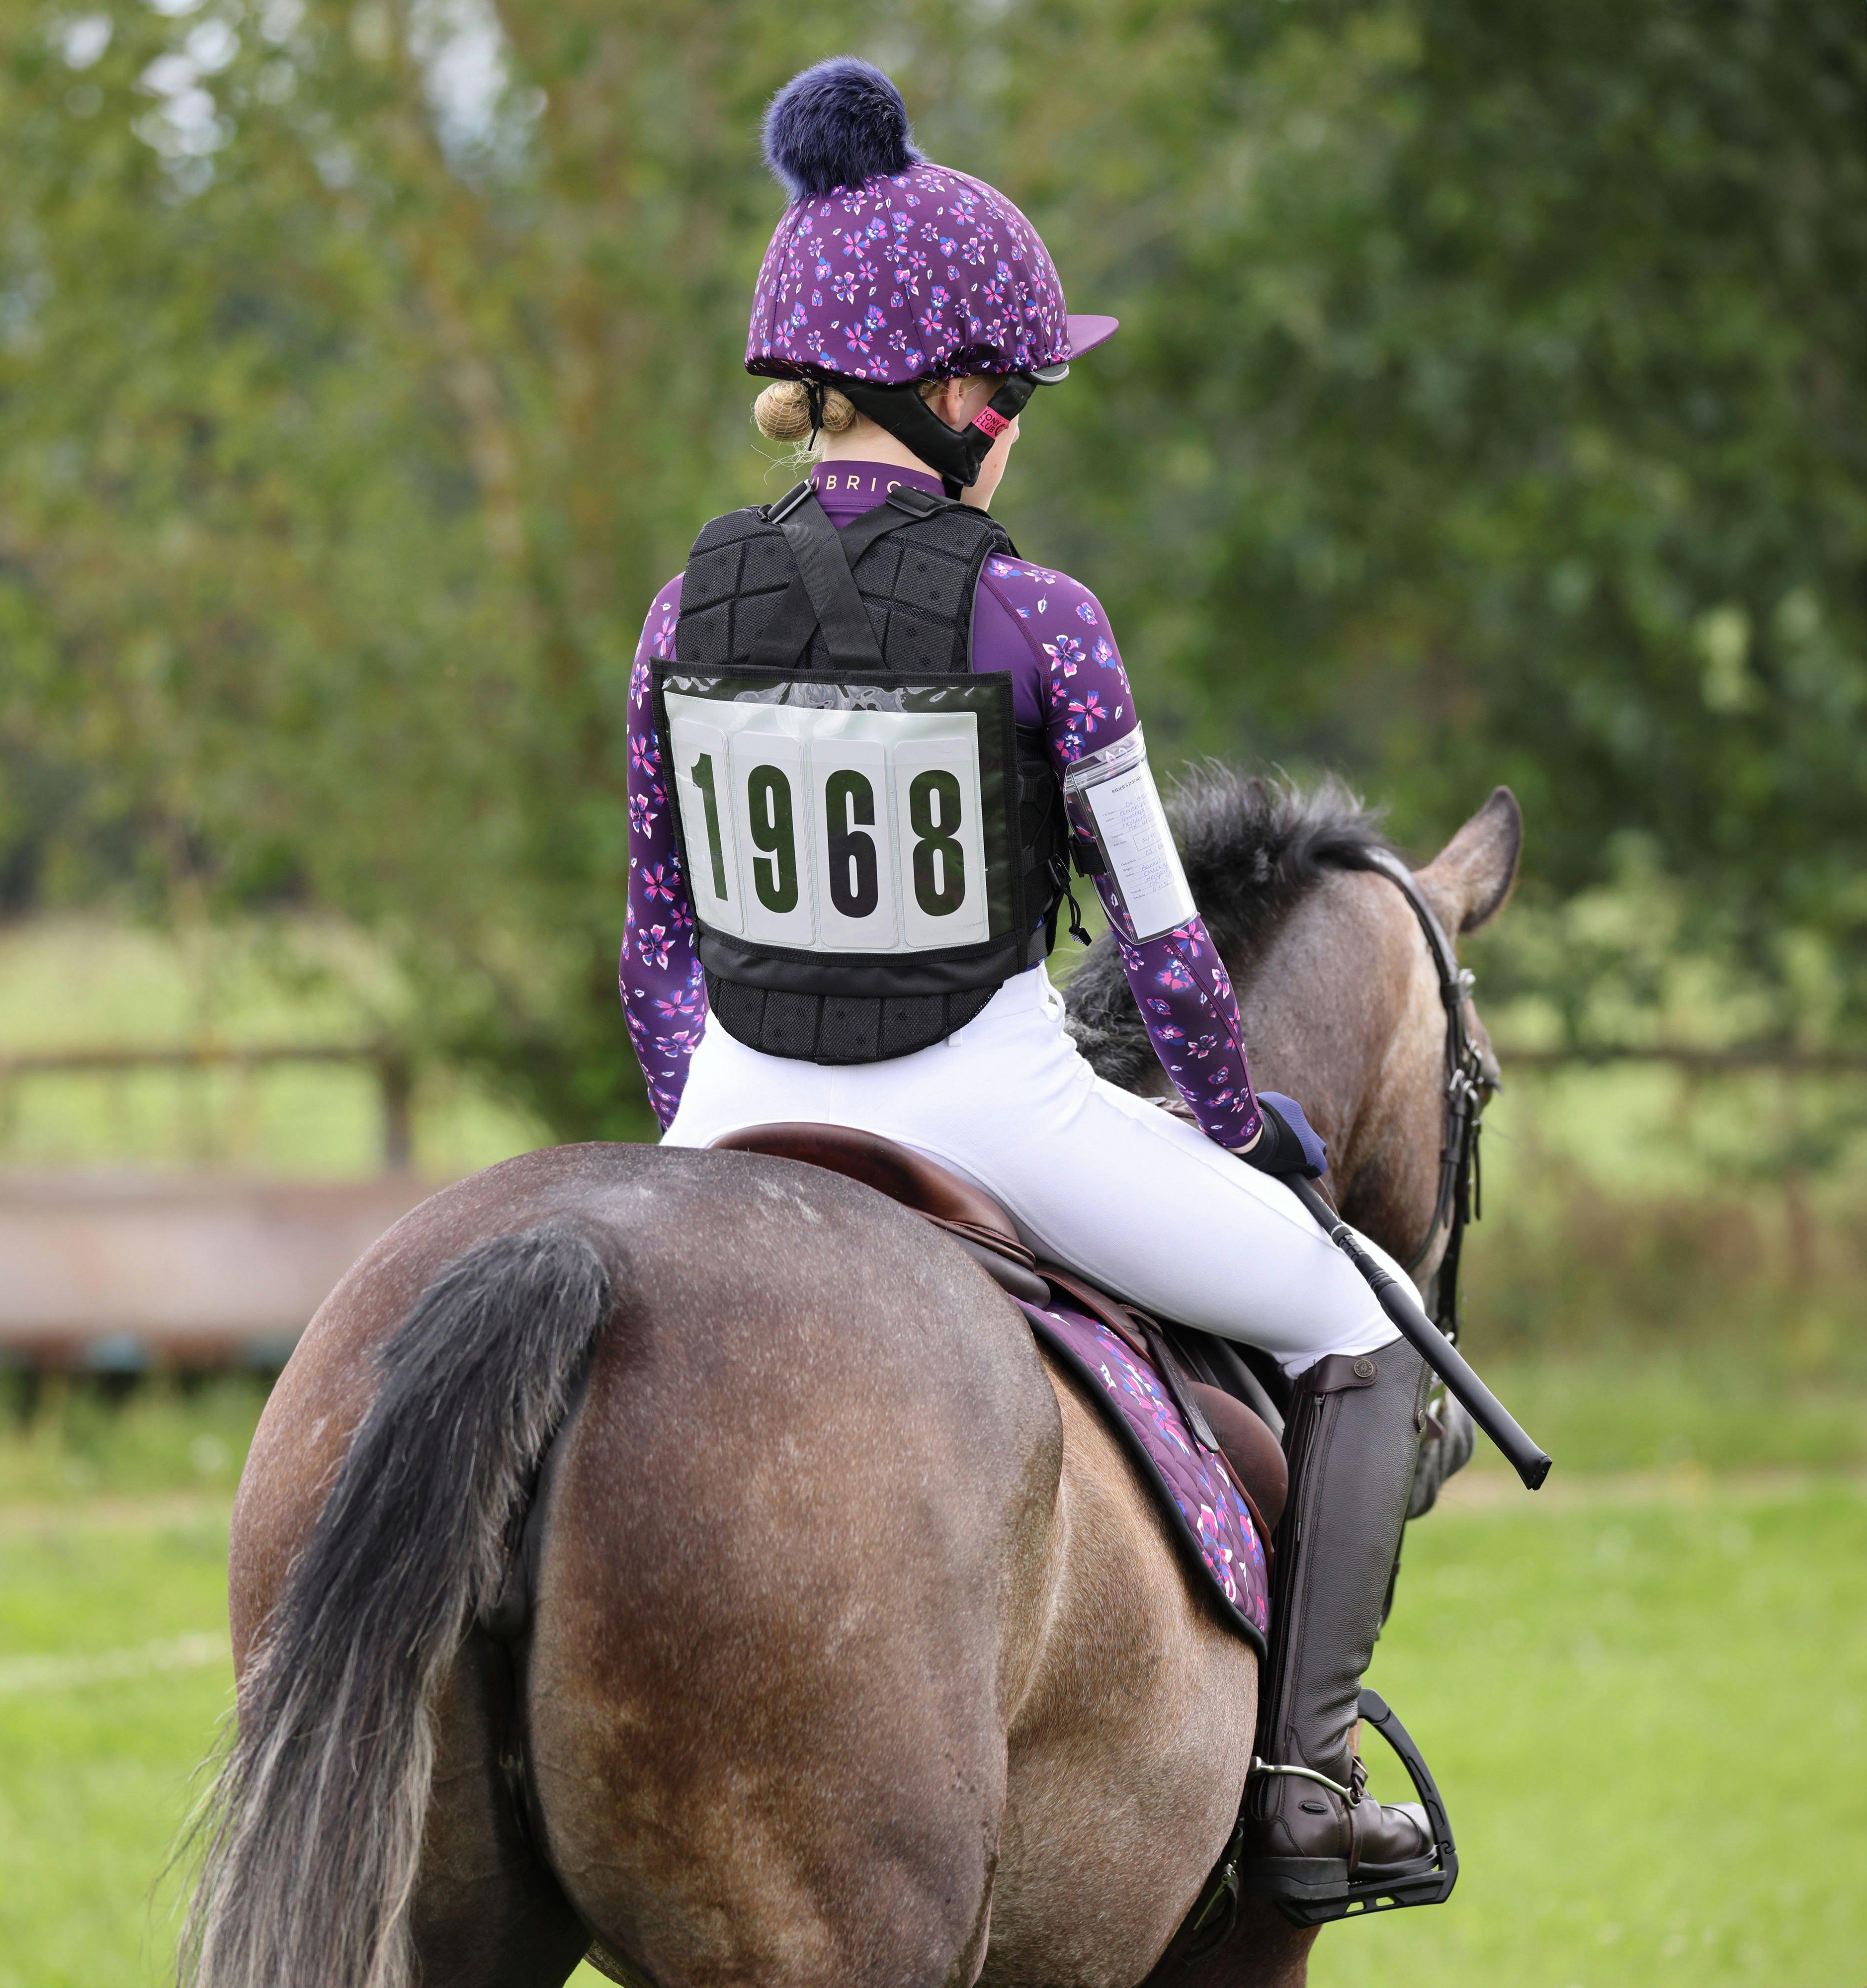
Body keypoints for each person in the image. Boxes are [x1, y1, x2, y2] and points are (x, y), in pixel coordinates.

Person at [618, 57, 1435, 1909]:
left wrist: (708, 1144)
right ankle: (1301, 1789)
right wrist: (1242, 1130)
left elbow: (658, 945)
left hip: (730, 1112)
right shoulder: (1039, 616)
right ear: (964, 398)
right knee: (1361, 1325)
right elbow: (1162, 945)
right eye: (1025, 394)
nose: (1024, 428)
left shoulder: (680, 612)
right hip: (994, 1103)